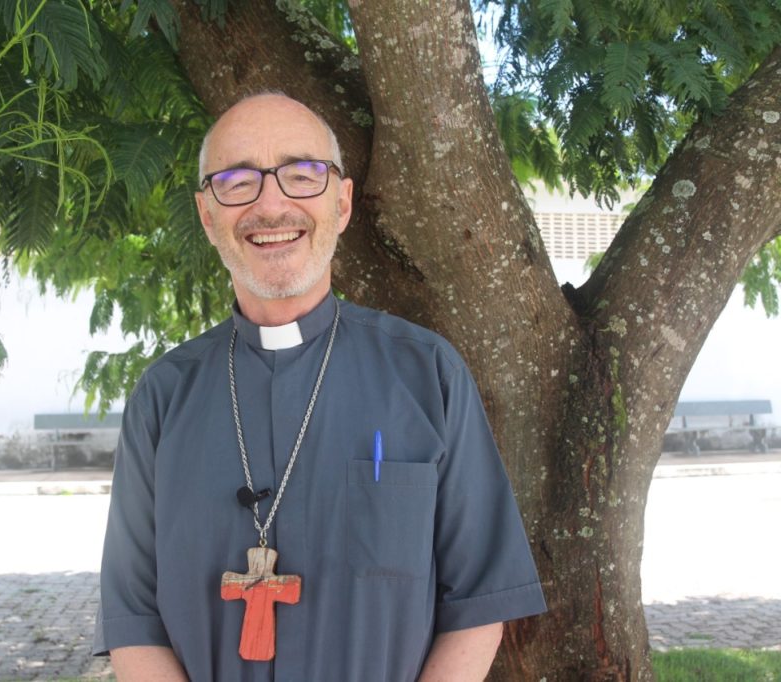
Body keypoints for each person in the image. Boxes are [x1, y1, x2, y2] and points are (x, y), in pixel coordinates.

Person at [94, 93, 546, 681]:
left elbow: (480, 604)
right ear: (208, 215)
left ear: (342, 202)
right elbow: (133, 619)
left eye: (302, 175)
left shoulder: (428, 374)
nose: (271, 203)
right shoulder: (162, 396)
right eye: (237, 181)